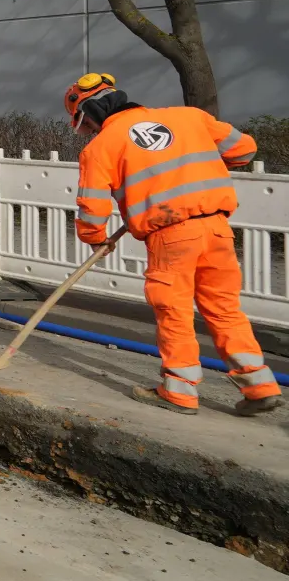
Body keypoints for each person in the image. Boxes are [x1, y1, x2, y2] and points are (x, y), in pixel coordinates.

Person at [68, 72, 280, 416]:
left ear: (88, 114)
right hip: (217, 228)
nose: (88, 131)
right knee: (225, 309)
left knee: (174, 310)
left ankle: (179, 392)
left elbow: (92, 207)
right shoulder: (189, 117)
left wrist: (95, 239)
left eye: (85, 125)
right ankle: (260, 385)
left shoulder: (101, 147)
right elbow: (245, 149)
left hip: (170, 237)